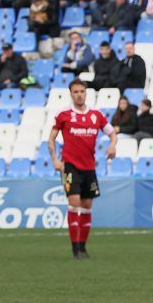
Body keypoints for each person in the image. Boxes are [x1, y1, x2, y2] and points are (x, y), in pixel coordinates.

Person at [48, 79, 117, 259]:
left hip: (89, 167)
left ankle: (83, 247)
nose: (79, 94)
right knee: (74, 202)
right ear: (71, 94)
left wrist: (112, 146)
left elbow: (112, 133)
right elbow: (51, 139)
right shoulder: (63, 115)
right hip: (70, 166)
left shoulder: (96, 115)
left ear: (86, 93)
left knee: (87, 206)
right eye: (76, 92)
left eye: (82, 91)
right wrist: (55, 159)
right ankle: (75, 247)